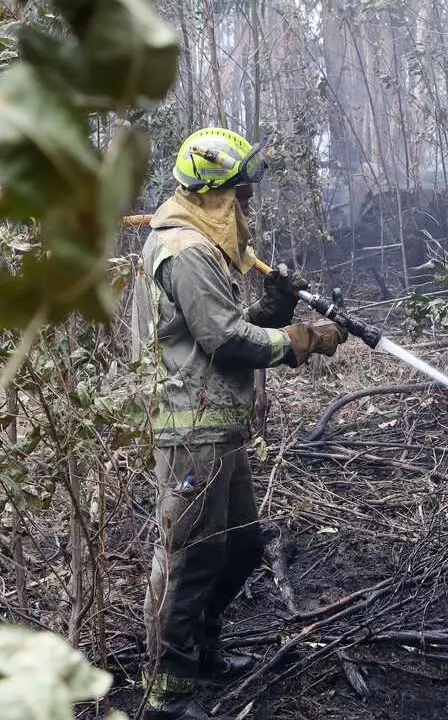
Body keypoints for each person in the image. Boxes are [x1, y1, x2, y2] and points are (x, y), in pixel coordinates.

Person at [133, 127, 348, 719]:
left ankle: (199, 650)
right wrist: (303, 338)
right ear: (213, 195)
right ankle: (167, 695)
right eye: (241, 198)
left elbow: (218, 327)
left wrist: (276, 309)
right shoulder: (188, 250)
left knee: (242, 546)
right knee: (188, 558)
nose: (247, 209)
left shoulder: (198, 245)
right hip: (190, 428)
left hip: (217, 426)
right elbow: (226, 342)